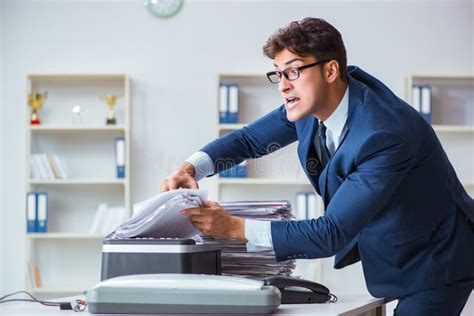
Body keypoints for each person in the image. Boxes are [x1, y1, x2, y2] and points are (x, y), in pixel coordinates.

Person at [161, 18, 474, 315]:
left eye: (293, 71)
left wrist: (232, 228)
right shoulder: (315, 103)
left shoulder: (384, 135)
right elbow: (248, 141)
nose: (283, 85)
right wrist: (191, 168)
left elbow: (331, 233)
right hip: (394, 244)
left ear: (330, 71)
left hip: (437, 258)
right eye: (278, 73)